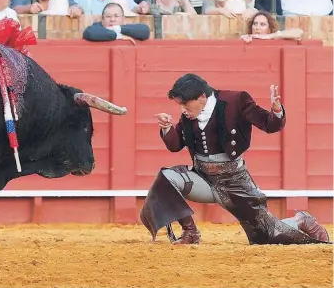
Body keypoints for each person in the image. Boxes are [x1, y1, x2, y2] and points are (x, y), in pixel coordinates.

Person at [140, 73, 331, 246]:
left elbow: (269, 124)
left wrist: (277, 111)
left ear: (202, 98)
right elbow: (175, 145)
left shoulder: (236, 100)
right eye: (179, 105)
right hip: (203, 179)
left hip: (235, 183)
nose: (182, 110)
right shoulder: (190, 114)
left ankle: (301, 220)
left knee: (267, 236)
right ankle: (191, 232)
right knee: (167, 178)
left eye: (185, 104)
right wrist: (166, 128)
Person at [83, 2, 150, 43]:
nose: (112, 19)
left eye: (116, 16)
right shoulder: (96, 28)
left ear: (123, 19)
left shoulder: (127, 29)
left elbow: (145, 30)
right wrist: (118, 36)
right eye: (108, 16)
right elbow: (88, 32)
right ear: (102, 19)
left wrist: (117, 29)